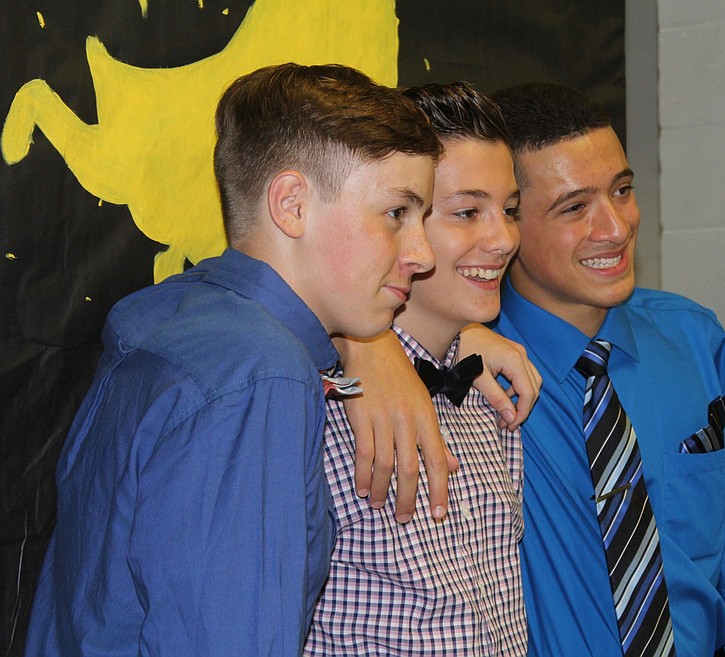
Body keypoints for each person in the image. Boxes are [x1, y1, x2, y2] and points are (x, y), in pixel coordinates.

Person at [23, 62, 441, 657]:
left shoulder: (169, 315)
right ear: (292, 205)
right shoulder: (261, 373)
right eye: (396, 213)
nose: (422, 254)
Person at [487, 83, 725, 656]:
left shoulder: (690, 339)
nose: (615, 227)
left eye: (623, 190)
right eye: (574, 206)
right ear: (506, 222)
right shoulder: (468, 368)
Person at [305, 82, 527, 656]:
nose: (503, 240)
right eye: (466, 212)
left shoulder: (488, 390)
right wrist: (364, 347)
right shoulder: (327, 394)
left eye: (510, 211)